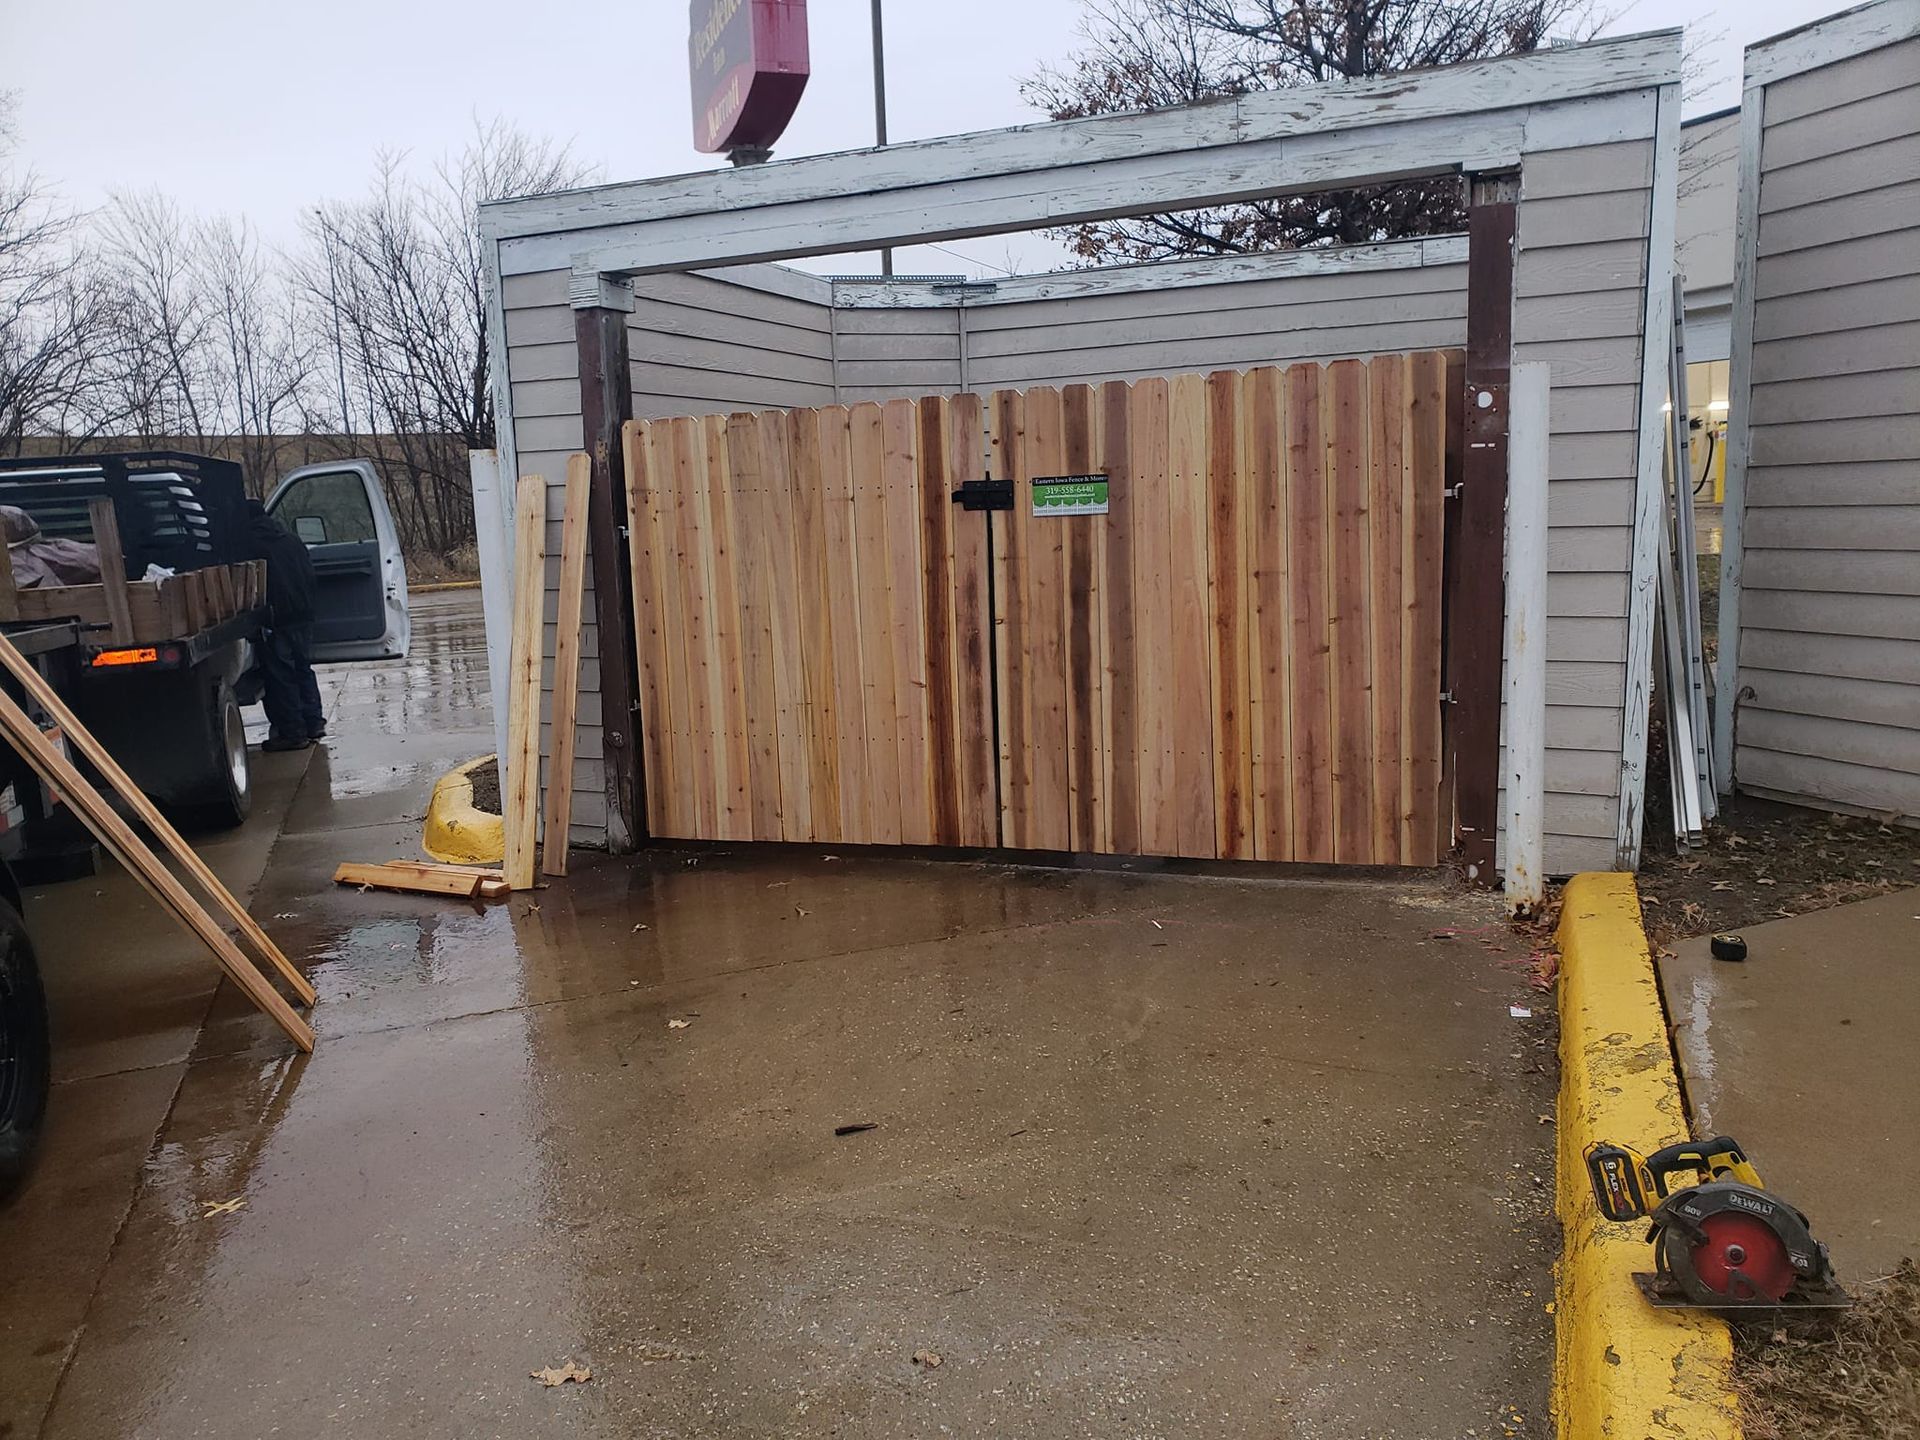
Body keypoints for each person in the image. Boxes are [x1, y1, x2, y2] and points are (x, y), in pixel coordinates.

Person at [244, 499, 325, 751]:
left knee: (281, 676)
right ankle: (314, 723)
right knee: (303, 668)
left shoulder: (250, 545)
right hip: (303, 615)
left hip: (276, 619)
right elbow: (310, 575)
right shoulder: (292, 540)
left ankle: (293, 733)